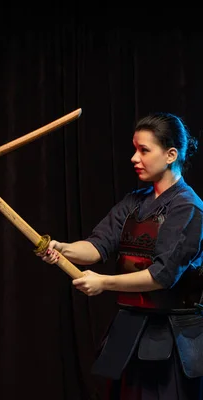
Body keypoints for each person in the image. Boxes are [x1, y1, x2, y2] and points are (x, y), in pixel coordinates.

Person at [37, 112, 203, 399]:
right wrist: (63, 249)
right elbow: (98, 246)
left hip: (173, 339)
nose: (134, 158)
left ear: (170, 154)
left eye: (144, 150)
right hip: (130, 333)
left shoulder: (188, 208)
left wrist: (103, 283)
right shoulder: (135, 202)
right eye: (134, 149)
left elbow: (161, 276)